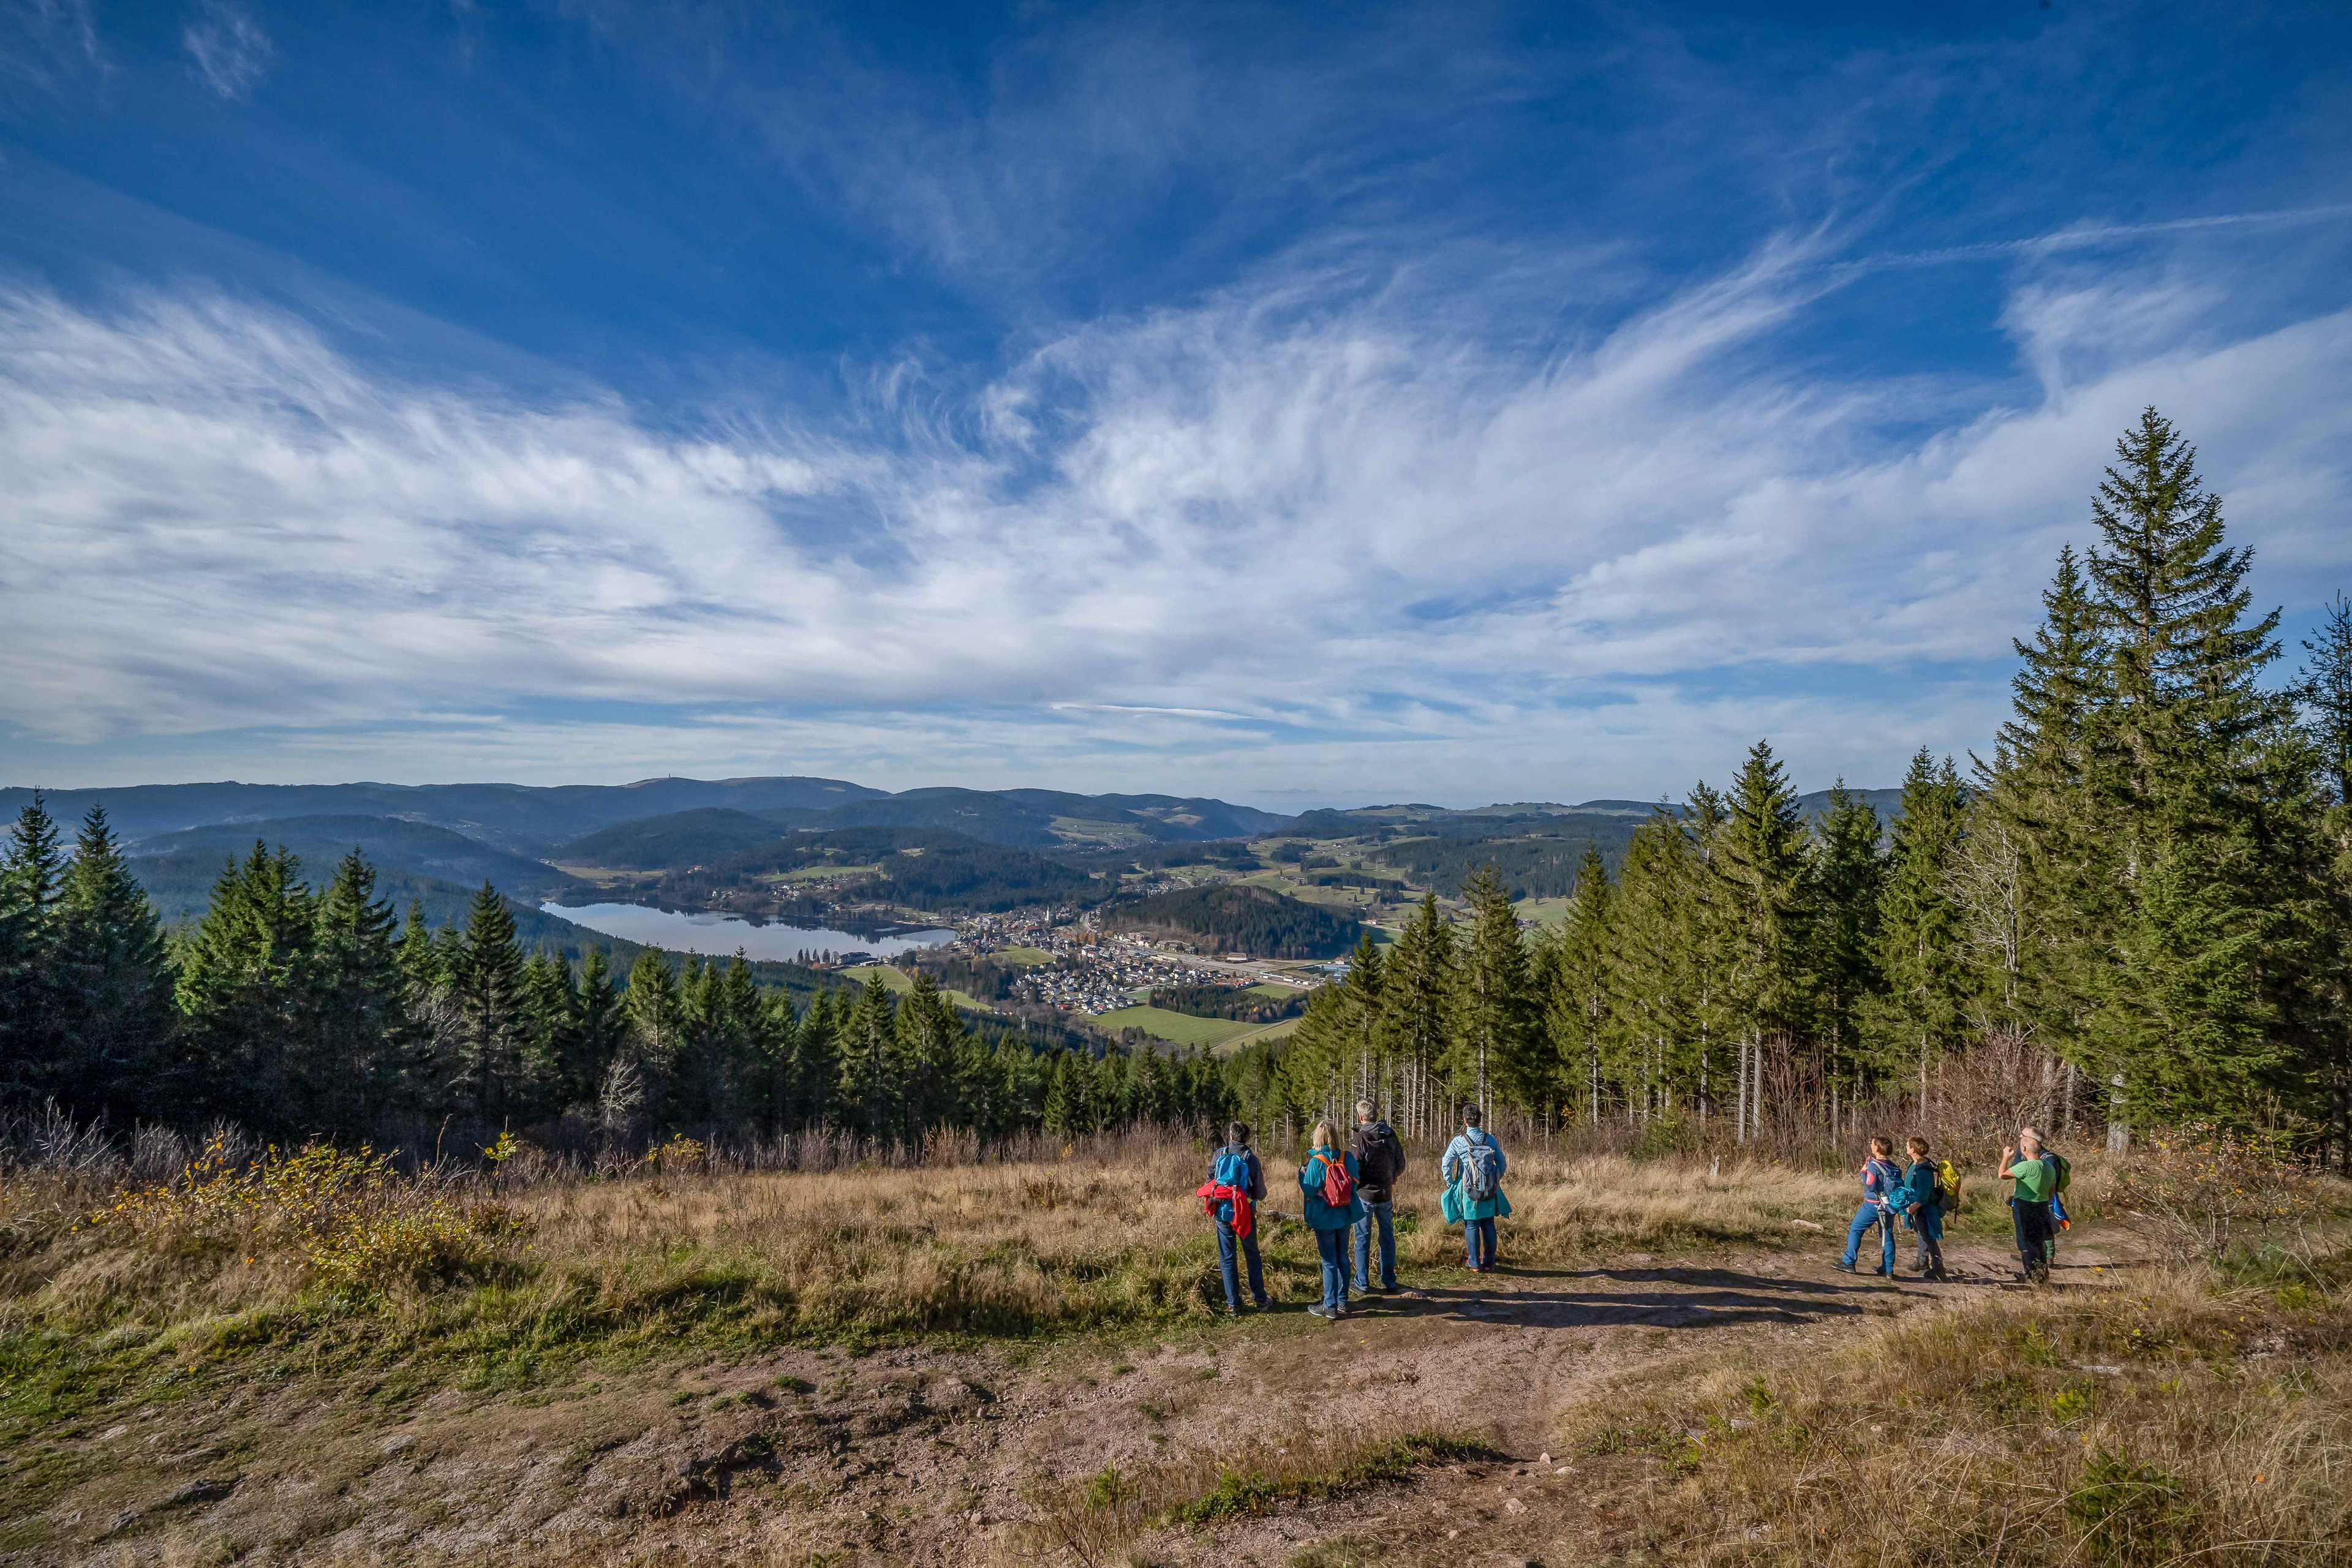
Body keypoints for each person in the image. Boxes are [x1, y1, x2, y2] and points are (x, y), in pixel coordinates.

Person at [1201, 1121, 1270, 1316]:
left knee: (1227, 1258)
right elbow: (1260, 1192)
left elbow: (1209, 1182)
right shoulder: (1250, 1158)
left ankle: (1233, 1304)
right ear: (1246, 1138)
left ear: (1230, 1136)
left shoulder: (1220, 1154)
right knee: (1252, 1255)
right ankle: (1260, 1299)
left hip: (1222, 1213)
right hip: (1244, 1213)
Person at [1300, 1120, 1365, 1319]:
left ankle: (1330, 1306)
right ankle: (1342, 1301)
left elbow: (1309, 1189)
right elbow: (1355, 1184)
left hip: (1324, 1217)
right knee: (1343, 1256)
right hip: (1345, 1213)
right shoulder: (1348, 1158)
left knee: (1329, 1261)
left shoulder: (1317, 1162)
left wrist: (1302, 1176)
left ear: (1317, 1139)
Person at [1439, 1107, 1509, 1271]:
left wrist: (1452, 1183)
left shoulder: (1459, 1141)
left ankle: (1474, 1263)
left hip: (1469, 1190)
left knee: (1471, 1225)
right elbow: (1502, 1163)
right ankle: (1490, 1263)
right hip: (1490, 1190)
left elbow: (1446, 1164)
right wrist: (1495, 1180)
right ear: (1480, 1120)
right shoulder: (1490, 1140)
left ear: (1465, 1120)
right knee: (1488, 1224)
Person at [1350, 1099, 1404, 1294]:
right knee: (1387, 1237)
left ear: (1361, 1117)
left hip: (1365, 1195)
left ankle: (1362, 1283)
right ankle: (1389, 1280)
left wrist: (1353, 1187)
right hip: (1385, 1194)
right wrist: (1392, 1178)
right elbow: (1401, 1162)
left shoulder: (1361, 1138)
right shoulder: (1390, 1134)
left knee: (1363, 1238)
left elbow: (1353, 1169)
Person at [1836, 1136, 1904, 1276]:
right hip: (1889, 1206)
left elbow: (1870, 1186)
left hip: (1873, 1205)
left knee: (1856, 1229)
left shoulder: (1874, 1165)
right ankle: (1888, 1269)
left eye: (1872, 1144)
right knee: (1887, 1235)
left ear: (1877, 1148)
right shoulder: (1895, 1167)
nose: (1870, 1145)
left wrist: (1863, 1173)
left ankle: (1849, 1262)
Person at [2000, 1129, 2056, 1284]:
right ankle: (2043, 1274)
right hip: (2043, 1206)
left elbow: (2002, 1174)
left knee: (2026, 1242)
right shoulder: (2049, 1167)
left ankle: (2031, 1275)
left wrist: (2005, 1157)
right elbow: (2052, 1192)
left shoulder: (2025, 1167)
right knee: (2039, 1242)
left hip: (2025, 1207)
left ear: (2024, 1149)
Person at [1898, 1135, 1946, 1280]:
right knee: (1920, 1234)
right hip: (1917, 1208)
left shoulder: (1922, 1168)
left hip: (1923, 1209)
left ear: (1913, 1149)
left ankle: (1939, 1269)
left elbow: (1924, 1194)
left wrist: (1914, 1206)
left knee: (1928, 1237)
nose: (1906, 1147)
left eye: (1907, 1145)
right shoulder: (1915, 1164)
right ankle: (1923, 1261)